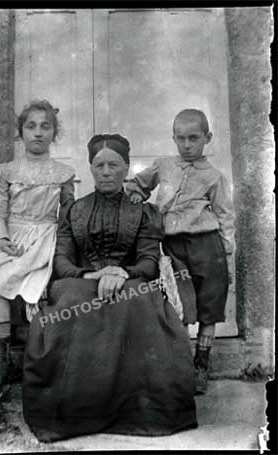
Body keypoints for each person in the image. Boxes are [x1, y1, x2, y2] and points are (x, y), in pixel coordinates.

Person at [23, 133, 197, 442]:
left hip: (130, 282)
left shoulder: (143, 212)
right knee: (71, 300)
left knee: (138, 302)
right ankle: (77, 413)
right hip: (80, 281)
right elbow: (61, 259)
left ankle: (140, 412)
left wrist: (121, 271)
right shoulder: (74, 211)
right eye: (99, 165)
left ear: (126, 167)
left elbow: (148, 261)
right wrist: (89, 275)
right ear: (90, 168)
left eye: (114, 165)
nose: (106, 172)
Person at [0, 99, 75, 407]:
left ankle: (1, 364)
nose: (38, 133)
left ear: (54, 133)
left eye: (45, 126)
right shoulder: (6, 171)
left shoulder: (63, 173)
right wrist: (2, 237)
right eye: (31, 126)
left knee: (2, 281)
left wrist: (64, 253)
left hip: (44, 242)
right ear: (21, 132)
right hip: (10, 239)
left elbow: (67, 218)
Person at [126, 109, 235, 394]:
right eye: (181, 138)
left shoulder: (214, 176)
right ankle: (178, 362)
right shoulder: (164, 165)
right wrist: (138, 193)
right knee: (178, 301)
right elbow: (138, 184)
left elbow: (225, 214)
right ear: (173, 138)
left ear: (207, 138)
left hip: (206, 244)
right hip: (173, 246)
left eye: (194, 138)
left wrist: (226, 248)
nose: (187, 144)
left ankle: (201, 364)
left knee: (209, 302)